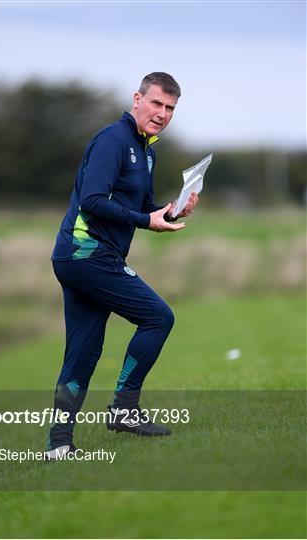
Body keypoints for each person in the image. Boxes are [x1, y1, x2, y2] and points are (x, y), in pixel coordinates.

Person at [46, 72, 198, 459]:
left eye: (170, 108)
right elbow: (93, 199)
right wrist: (147, 221)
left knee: (82, 352)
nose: (163, 114)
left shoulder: (147, 150)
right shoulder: (113, 139)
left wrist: (169, 209)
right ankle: (123, 409)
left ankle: (58, 446)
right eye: (157, 104)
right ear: (137, 99)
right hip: (86, 254)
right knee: (158, 317)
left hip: (84, 258)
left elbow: (142, 205)